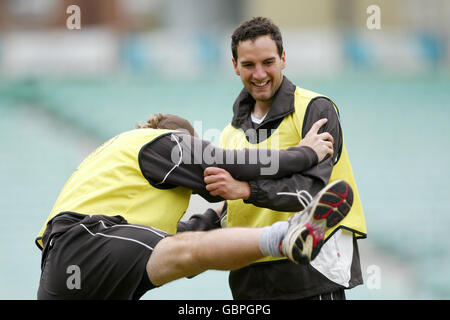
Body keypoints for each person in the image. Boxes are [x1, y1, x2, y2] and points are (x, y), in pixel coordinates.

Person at [36, 113, 347, 300]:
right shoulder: (159, 142)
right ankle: (284, 236)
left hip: (66, 268)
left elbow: (168, 237)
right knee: (189, 252)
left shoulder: (119, 168)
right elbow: (231, 162)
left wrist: (218, 214)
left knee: (182, 251)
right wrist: (304, 154)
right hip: (84, 241)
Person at [210, 17, 367, 300]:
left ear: (283, 58)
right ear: (235, 66)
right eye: (248, 65)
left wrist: (247, 189)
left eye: (268, 62)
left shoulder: (315, 109)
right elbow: (228, 210)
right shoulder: (229, 133)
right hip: (249, 276)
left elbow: (312, 194)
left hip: (311, 270)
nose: (259, 74)